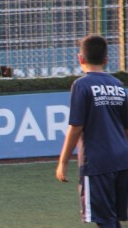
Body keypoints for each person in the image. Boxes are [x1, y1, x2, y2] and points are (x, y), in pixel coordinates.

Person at [56, 35, 128, 228]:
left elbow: (76, 126)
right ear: (106, 59)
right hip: (121, 160)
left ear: (80, 59)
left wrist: (63, 161)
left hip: (97, 162)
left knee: (104, 219)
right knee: (111, 217)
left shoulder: (81, 85)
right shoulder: (118, 85)